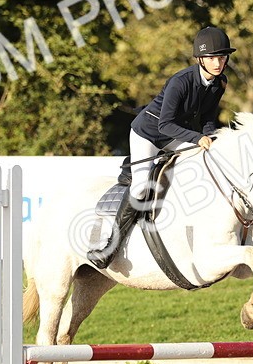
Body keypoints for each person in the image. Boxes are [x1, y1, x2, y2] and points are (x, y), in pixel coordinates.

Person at [86, 26, 234, 268]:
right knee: (140, 188)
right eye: (211, 58)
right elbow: (165, 124)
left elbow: (208, 118)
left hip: (175, 133)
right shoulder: (180, 82)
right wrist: (197, 138)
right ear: (200, 59)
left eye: (221, 57)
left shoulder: (220, 83)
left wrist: (210, 138)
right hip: (148, 133)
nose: (217, 63)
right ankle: (110, 247)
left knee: (204, 162)